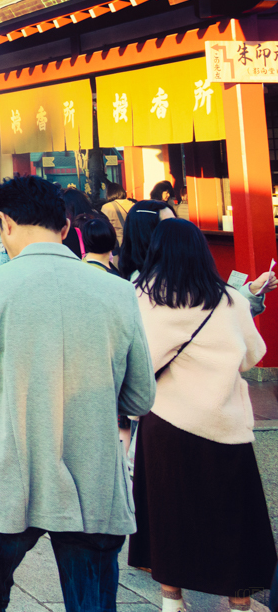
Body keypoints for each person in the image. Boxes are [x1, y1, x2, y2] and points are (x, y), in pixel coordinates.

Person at [0, 175, 154, 612]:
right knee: (92, 602)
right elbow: (140, 399)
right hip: (96, 480)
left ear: (3, 223)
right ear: (65, 228)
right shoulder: (119, 292)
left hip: (14, 476)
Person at [129, 218, 275, 608]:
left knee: (170, 512)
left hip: (167, 422)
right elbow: (251, 357)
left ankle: (172, 599)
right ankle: (239, 602)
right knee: (233, 515)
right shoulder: (229, 299)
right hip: (225, 423)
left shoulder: (144, 297)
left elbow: (139, 363)